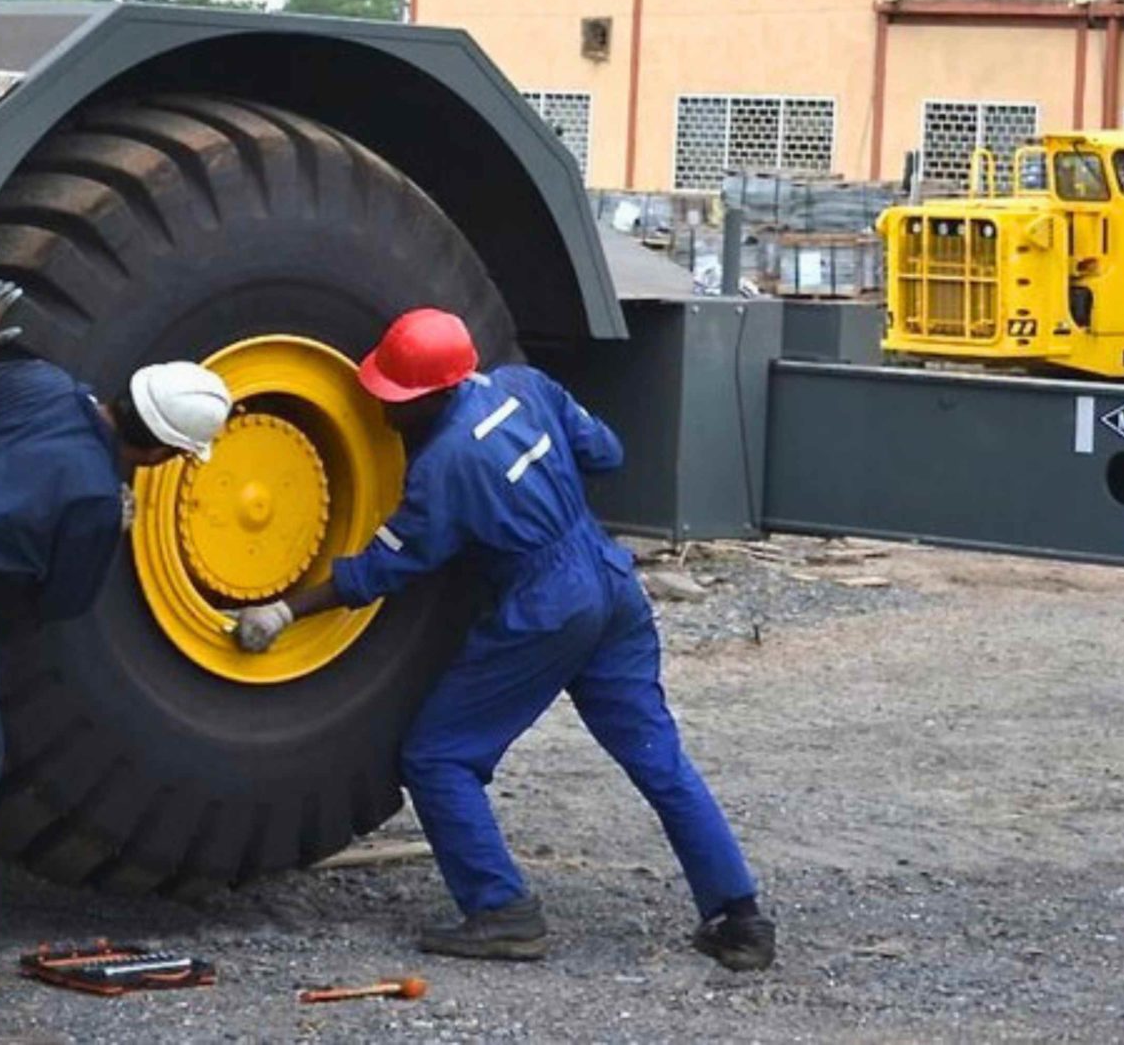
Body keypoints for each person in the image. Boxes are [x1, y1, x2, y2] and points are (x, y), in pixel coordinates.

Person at [231, 308, 774, 971]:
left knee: (438, 756)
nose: (381, 410)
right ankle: (740, 919)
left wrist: (286, 609)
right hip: (609, 578)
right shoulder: (527, 384)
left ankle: (501, 911)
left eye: (394, 400)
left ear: (432, 395)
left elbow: (380, 570)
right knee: (657, 757)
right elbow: (606, 450)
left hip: (545, 602)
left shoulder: (442, 470)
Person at [0, 279, 232, 1004]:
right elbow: (62, 601)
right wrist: (111, 534)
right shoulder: (93, 496)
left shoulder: (35, 384)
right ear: (158, 452)